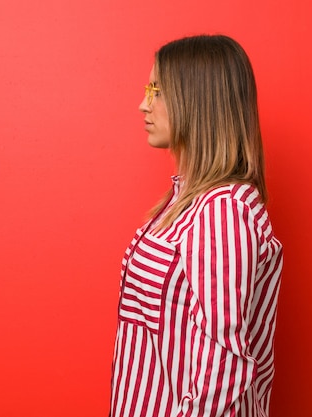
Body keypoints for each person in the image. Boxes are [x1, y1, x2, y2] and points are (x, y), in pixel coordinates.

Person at [110, 35, 283, 417]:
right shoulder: (187, 200)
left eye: (156, 90)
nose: (144, 104)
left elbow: (225, 364)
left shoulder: (222, 211)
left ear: (198, 101)